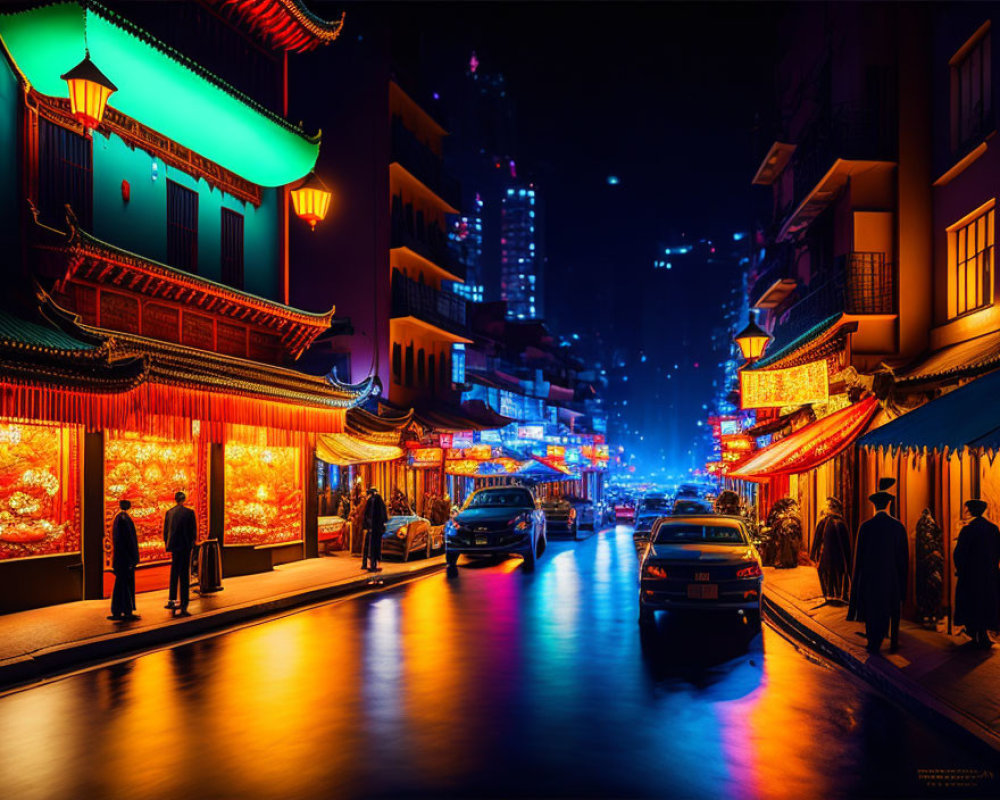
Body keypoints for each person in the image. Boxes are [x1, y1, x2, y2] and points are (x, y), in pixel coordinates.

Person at [848, 485, 908, 654]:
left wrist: (857, 582)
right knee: (893, 610)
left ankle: (873, 642)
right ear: (889, 505)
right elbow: (903, 560)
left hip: (871, 579)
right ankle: (893, 642)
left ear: (874, 506)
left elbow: (859, 559)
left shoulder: (865, 527)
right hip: (892, 578)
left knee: (873, 611)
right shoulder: (898, 527)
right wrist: (903, 585)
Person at [953, 499, 1000, 649]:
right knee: (987, 604)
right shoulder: (993, 529)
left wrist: (961, 569)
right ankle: (984, 634)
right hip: (989, 574)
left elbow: (959, 553)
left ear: (971, 511)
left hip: (971, 575)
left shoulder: (967, 530)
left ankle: (974, 632)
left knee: (972, 603)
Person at [810, 497, 852, 603]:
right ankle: (839, 594)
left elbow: (817, 539)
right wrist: (849, 560)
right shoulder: (841, 523)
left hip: (825, 556)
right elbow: (846, 545)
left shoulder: (823, 522)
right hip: (838, 558)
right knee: (838, 574)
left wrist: (813, 554)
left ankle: (829, 594)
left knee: (826, 575)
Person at [163, 491, 197, 616]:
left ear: (175, 500)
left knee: (174, 574)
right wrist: (191, 545)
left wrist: (167, 544)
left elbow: (166, 531)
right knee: (184, 576)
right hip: (185, 547)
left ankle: (171, 600)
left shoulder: (169, 513)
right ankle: (184, 603)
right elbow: (193, 532)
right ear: (184, 500)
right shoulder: (189, 513)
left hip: (174, 547)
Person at [108, 500, 140, 621]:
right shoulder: (124, 519)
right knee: (125, 585)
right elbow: (129, 541)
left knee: (121, 584)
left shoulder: (118, 518)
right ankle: (126, 610)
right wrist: (133, 558)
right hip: (125, 559)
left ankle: (119, 610)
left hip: (121, 558)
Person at [362, 486, 388, 572]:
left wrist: (366, 525)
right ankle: (374, 564)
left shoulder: (370, 501)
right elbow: (383, 515)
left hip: (371, 528)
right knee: (375, 546)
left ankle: (366, 564)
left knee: (368, 546)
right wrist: (383, 525)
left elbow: (366, 514)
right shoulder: (379, 501)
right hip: (377, 528)